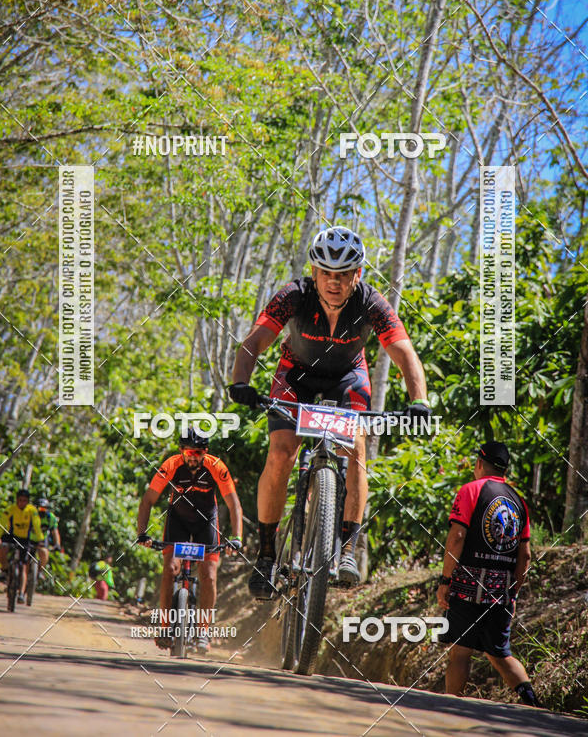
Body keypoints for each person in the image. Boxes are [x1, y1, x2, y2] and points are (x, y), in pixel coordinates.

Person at [228, 225, 429, 598]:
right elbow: (256, 339)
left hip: (347, 377)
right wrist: (241, 381)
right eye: (326, 274)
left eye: (343, 275)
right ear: (314, 272)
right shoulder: (294, 294)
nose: (333, 283)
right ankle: (268, 553)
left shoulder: (372, 303)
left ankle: (348, 548)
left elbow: (404, 352)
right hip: (295, 375)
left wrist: (419, 400)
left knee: (356, 449)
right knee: (282, 452)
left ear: (359, 275)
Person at [436, 440, 540, 707]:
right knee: (500, 654)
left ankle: (451, 708)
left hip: (468, 587)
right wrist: (512, 593)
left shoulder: (470, 490)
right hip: (500, 592)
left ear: (480, 463)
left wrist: (446, 580)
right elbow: (525, 555)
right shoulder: (519, 502)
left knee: (460, 651)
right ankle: (533, 704)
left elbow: (457, 537)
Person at [136, 427, 243, 652]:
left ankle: (203, 631)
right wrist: (142, 533)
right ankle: (165, 628)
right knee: (170, 569)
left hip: (207, 521)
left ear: (205, 452)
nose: (193, 458)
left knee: (209, 575)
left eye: (197, 453)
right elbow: (148, 501)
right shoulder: (171, 465)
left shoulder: (216, 467)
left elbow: (233, 504)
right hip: (178, 520)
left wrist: (237, 538)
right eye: (188, 453)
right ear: (181, 451)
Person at [0, 488, 44, 603]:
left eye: (24, 500)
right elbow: (2, 523)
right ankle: (4, 570)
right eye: (20, 500)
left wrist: (40, 539)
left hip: (25, 539)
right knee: (2, 548)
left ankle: (21, 593)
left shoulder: (32, 511)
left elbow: (36, 525)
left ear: (28, 501)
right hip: (12, 536)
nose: (22, 502)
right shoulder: (10, 509)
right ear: (17, 500)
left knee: (24, 567)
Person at [36, 497, 63, 580]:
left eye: (44, 509)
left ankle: (40, 571)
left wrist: (57, 544)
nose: (42, 510)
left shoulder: (50, 518)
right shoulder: (31, 515)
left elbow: (55, 532)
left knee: (44, 553)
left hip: (42, 539)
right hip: (29, 537)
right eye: (40, 508)